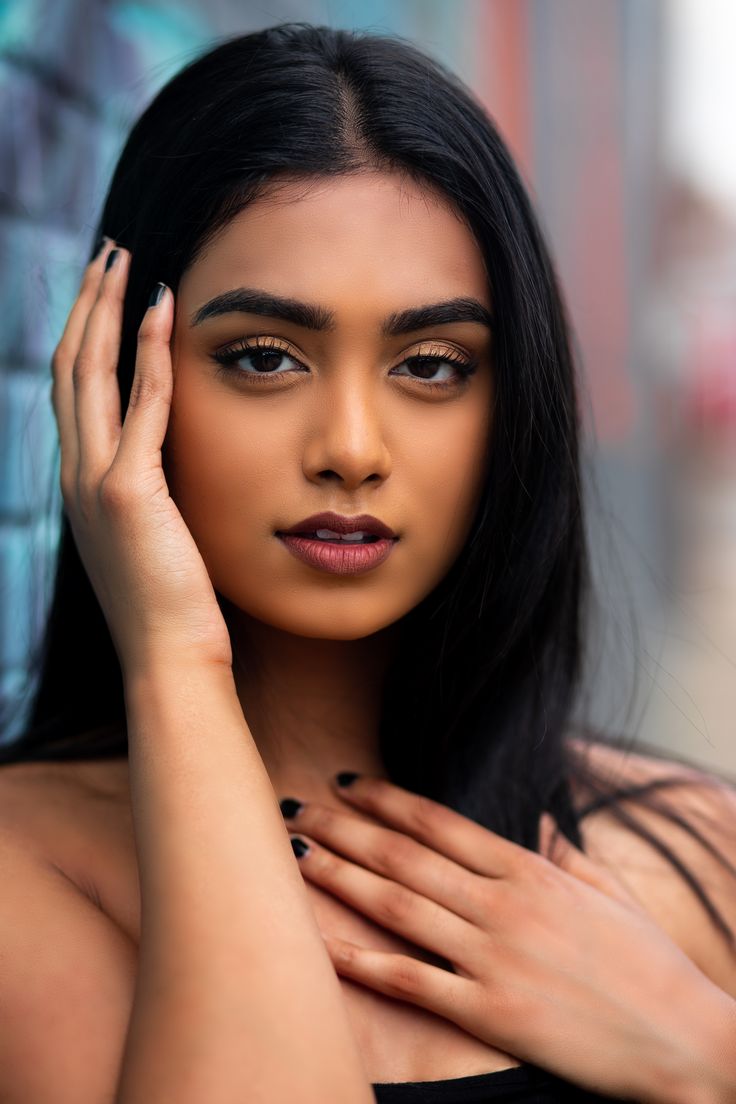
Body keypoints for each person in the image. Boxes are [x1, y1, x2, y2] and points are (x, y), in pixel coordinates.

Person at [0, 21, 734, 1104]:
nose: (350, 447)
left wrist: (706, 1054)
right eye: (263, 357)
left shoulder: (682, 852)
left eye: (431, 365)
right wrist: (175, 667)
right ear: (118, 382)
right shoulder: (27, 871)